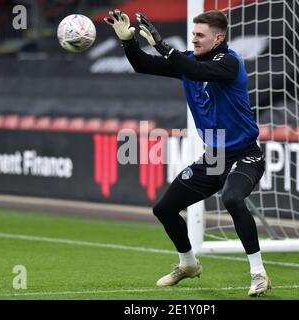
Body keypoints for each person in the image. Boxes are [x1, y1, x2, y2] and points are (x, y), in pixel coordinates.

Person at [104, 9, 271, 297]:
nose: (193, 39)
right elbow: (143, 65)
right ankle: (188, 264)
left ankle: (259, 274)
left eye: (199, 35)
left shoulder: (229, 62)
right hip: (214, 157)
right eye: (193, 34)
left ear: (218, 38)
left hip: (246, 154)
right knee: (164, 209)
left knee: (232, 197)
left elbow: (197, 72)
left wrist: (161, 44)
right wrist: (128, 41)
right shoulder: (188, 61)